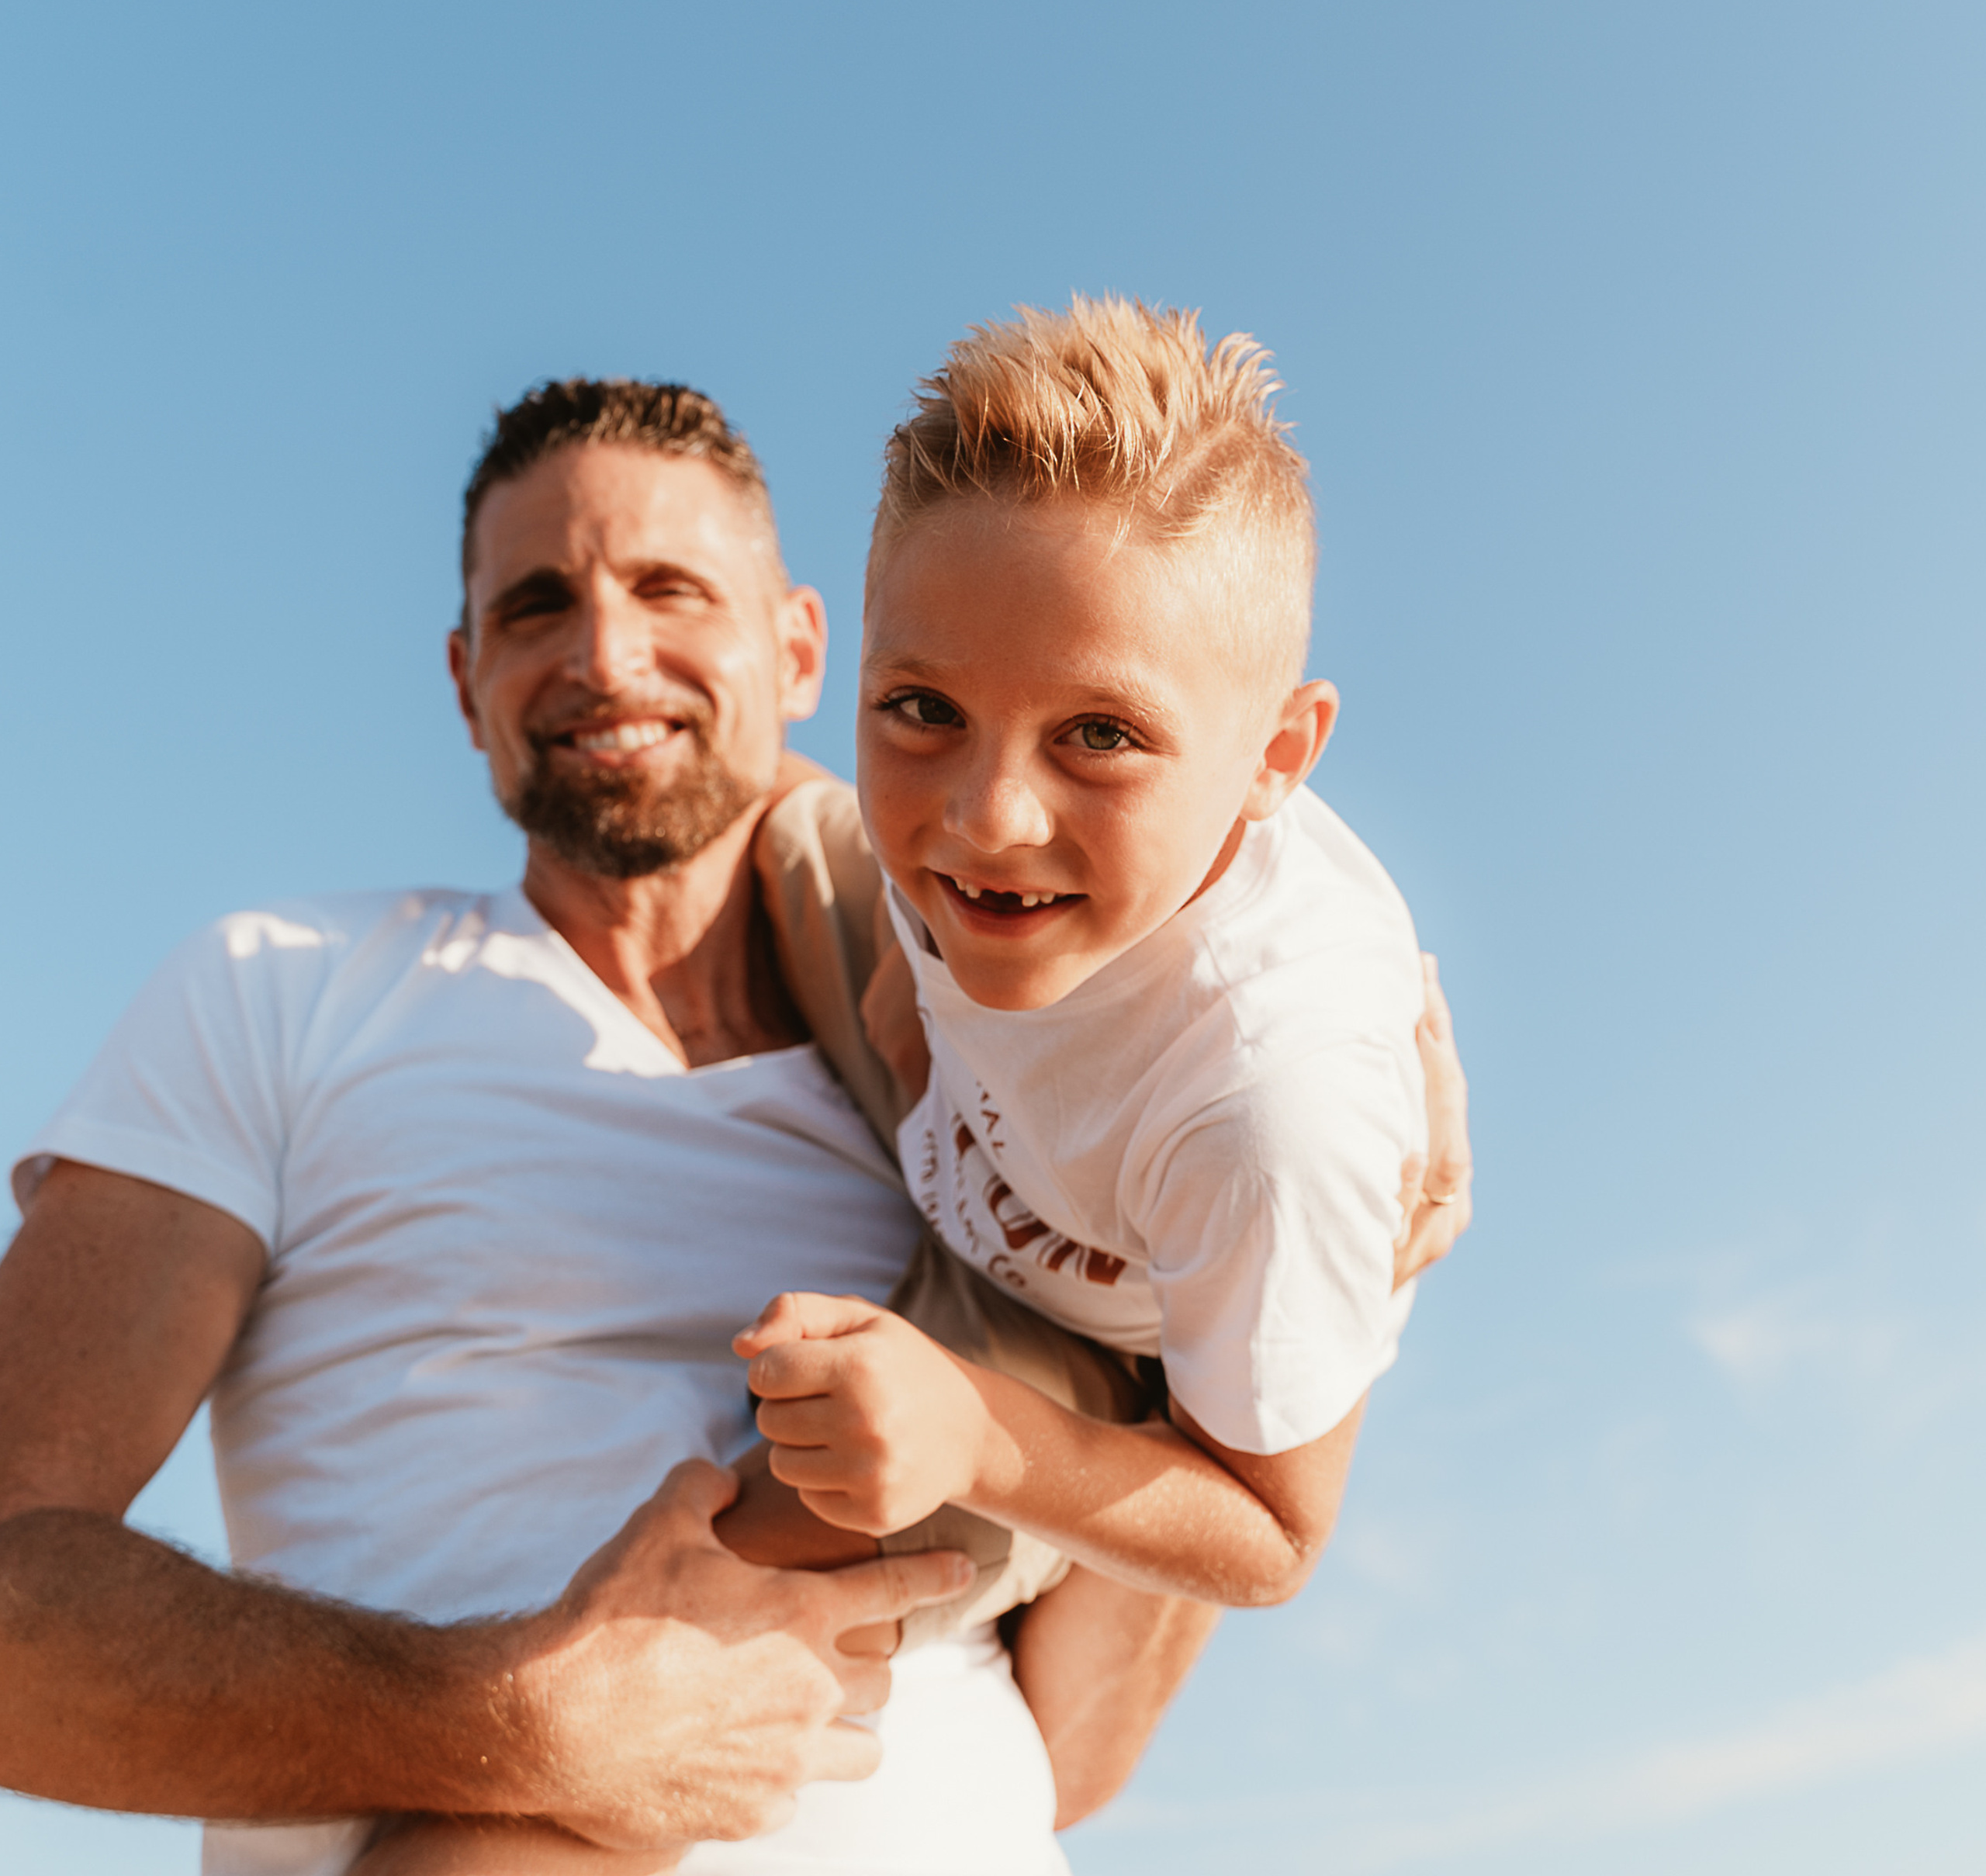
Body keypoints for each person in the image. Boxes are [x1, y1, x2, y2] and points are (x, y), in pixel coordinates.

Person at [0, 376, 1469, 1875]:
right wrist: (507, 1721)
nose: (605, 653)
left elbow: (1072, 1748)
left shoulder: (998, 1004)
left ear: (796, 647)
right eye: (532, 607)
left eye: (670, 588)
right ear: (462, 679)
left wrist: (1315, 1299)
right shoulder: (280, 996)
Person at [735, 296, 1451, 1620]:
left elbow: (1273, 1537)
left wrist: (971, 1430)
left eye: (1101, 737)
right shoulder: (969, 842)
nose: (986, 815)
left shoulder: (1267, 1109)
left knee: (770, 1535)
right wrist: (911, 1012)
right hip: (968, 1141)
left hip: (1100, 1351)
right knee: (766, 822)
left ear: (1274, 759)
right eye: (920, 708)